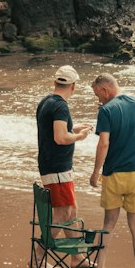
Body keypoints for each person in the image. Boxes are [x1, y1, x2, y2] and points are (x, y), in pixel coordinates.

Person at [89, 73, 135, 268]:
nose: (98, 100)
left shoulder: (106, 111)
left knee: (108, 225)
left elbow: (104, 144)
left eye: (98, 95)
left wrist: (96, 171)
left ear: (105, 90)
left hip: (114, 174)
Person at [35, 64, 90, 228]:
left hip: (52, 164)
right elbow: (60, 138)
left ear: (55, 82)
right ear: (74, 86)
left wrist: (73, 129)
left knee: (72, 211)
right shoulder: (61, 106)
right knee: (63, 213)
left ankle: (76, 254)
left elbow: (52, 132)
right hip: (57, 167)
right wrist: (80, 136)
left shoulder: (46, 101)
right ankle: (39, 254)